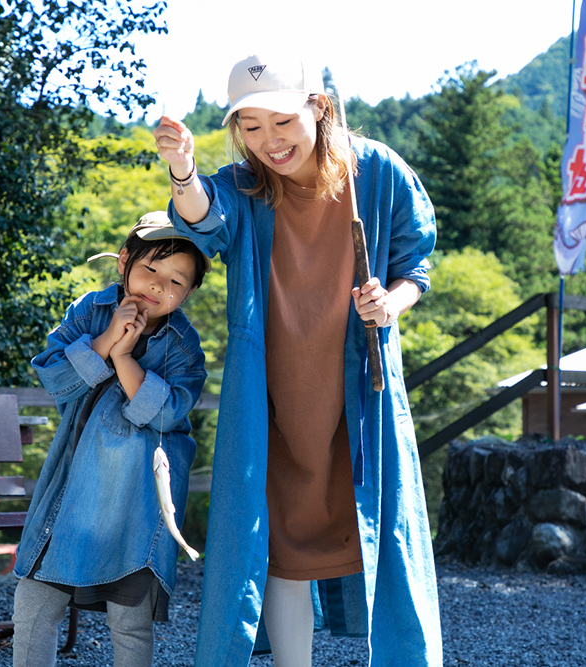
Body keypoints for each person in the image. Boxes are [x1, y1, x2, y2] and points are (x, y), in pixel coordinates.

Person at [152, 52, 442, 667]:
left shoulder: (378, 171)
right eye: (250, 128)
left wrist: (390, 302)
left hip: (360, 393)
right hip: (271, 397)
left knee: (383, 535)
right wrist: (182, 169)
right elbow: (203, 220)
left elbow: (417, 259)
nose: (269, 141)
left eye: (281, 121)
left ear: (319, 107)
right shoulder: (243, 185)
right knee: (273, 539)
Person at [11, 212, 210, 667]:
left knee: (130, 621)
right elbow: (54, 376)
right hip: (71, 483)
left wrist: (124, 357)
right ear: (124, 263)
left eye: (177, 281)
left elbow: (160, 412)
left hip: (136, 499)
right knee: (35, 603)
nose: (159, 286)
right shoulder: (89, 310)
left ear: (189, 293)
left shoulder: (183, 348)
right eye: (150, 269)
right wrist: (105, 340)